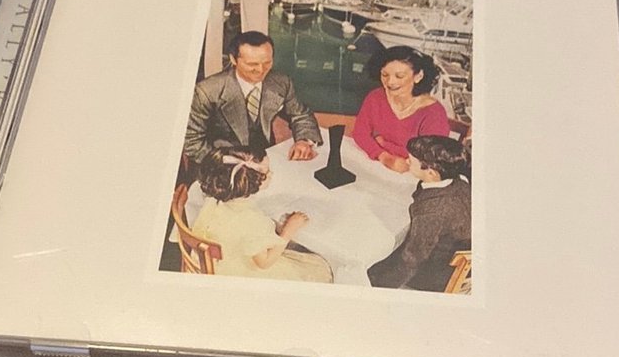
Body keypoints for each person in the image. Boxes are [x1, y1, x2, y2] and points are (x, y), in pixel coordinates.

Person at [191, 147, 333, 283]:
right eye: (267, 173)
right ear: (250, 181)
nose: (271, 174)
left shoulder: (214, 200)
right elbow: (264, 263)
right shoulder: (250, 220)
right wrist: (289, 230)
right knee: (318, 269)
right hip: (240, 273)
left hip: (219, 259)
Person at [183, 30, 322, 164]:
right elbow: (191, 141)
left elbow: (300, 115)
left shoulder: (281, 82)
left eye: (267, 63)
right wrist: (229, 163)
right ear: (233, 59)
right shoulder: (206, 91)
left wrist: (304, 141)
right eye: (252, 64)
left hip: (266, 159)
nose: (261, 70)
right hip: (221, 163)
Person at [368, 135, 470, 292]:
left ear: (431, 173)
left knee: (370, 267)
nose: (407, 162)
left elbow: (412, 259)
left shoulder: (433, 212)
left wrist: (375, 286)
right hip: (446, 250)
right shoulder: (459, 180)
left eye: (411, 160)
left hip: (434, 274)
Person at [352, 46, 450, 173]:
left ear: (418, 76)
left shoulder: (434, 114)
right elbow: (359, 133)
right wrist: (384, 156)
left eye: (399, 76)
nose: (390, 82)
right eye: (385, 74)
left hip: (415, 173)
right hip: (380, 163)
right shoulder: (375, 97)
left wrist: (384, 144)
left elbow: (430, 157)